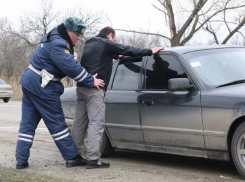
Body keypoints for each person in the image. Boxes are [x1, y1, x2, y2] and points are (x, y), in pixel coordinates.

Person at [15, 17, 104, 169]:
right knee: (57, 124)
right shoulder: (58, 45)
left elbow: (64, 62)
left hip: (31, 82)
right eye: (76, 34)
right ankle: (72, 157)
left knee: (27, 124)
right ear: (68, 31)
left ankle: (21, 160)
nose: (79, 37)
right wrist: (91, 80)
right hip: (43, 86)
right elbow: (71, 68)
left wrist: (72, 57)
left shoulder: (54, 37)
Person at [71, 26, 164, 169]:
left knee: (79, 123)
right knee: (96, 123)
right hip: (96, 88)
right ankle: (93, 159)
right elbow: (127, 49)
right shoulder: (107, 42)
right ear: (110, 35)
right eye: (115, 39)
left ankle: (73, 157)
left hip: (81, 87)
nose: (115, 42)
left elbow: (101, 57)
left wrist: (116, 55)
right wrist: (150, 51)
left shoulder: (90, 43)